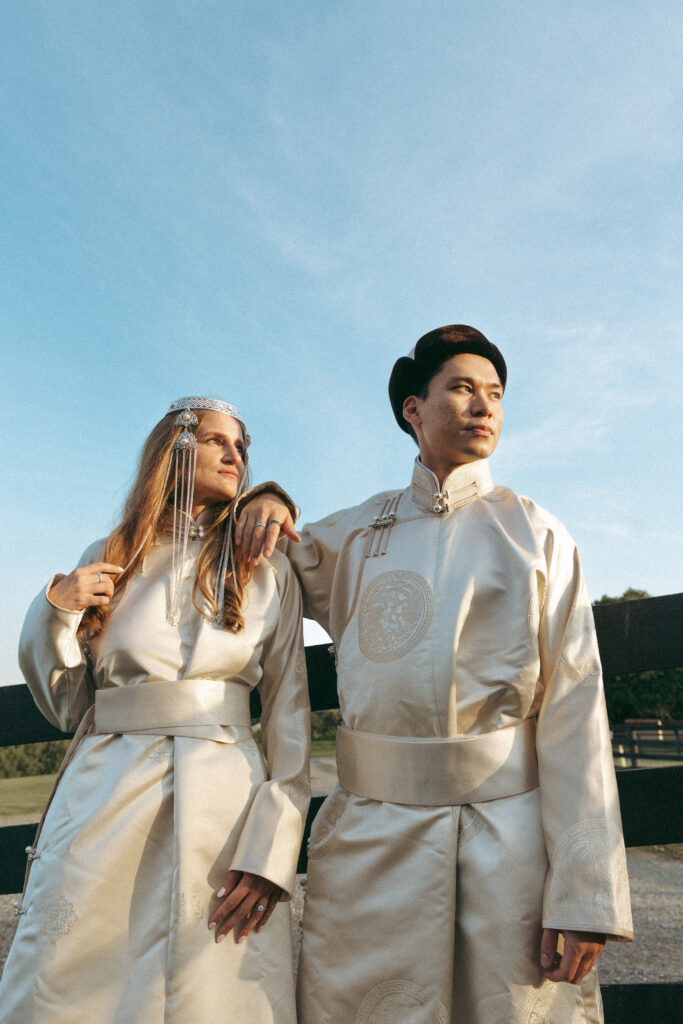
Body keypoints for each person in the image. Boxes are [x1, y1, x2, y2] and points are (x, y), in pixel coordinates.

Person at [238, 327, 633, 1024]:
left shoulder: (536, 534)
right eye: (461, 388)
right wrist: (262, 502)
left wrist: (581, 894)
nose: (483, 406)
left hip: (507, 839)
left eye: (495, 394)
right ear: (411, 410)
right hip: (370, 834)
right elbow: (265, 568)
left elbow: (576, 711)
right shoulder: (358, 531)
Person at [0, 397, 310, 1024]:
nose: (235, 455)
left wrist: (273, 852)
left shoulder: (267, 566)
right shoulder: (113, 549)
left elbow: (289, 718)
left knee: (218, 987)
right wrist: (55, 610)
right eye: (217, 440)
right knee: (67, 982)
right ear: (174, 448)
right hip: (102, 801)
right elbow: (67, 706)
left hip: (226, 806)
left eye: (243, 448)